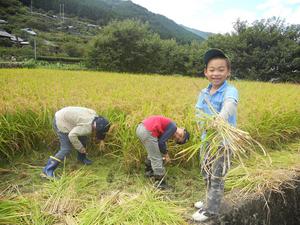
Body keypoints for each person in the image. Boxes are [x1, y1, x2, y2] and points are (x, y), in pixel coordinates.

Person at [192, 49, 239, 222]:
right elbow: (198, 110)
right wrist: (201, 123)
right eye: (212, 69)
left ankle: (212, 210)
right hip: (206, 141)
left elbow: (230, 106)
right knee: (206, 172)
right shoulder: (203, 92)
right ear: (205, 72)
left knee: (217, 176)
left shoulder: (231, 90)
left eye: (221, 69)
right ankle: (208, 201)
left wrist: (219, 119)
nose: (216, 73)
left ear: (228, 72)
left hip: (223, 143)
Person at [41, 106, 110, 178]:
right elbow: (72, 135)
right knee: (66, 149)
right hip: (60, 121)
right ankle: (47, 170)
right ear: (95, 128)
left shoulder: (94, 114)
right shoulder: (87, 127)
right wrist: (80, 148)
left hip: (65, 114)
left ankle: (81, 159)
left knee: (83, 139)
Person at [136, 115, 190, 189]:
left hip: (141, 128)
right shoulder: (173, 127)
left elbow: (161, 143)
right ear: (183, 129)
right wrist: (166, 154)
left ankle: (149, 172)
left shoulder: (171, 126)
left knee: (155, 153)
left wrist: (164, 152)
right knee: (157, 158)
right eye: (181, 135)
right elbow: (161, 143)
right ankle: (160, 184)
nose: (177, 137)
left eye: (178, 139)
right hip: (147, 130)